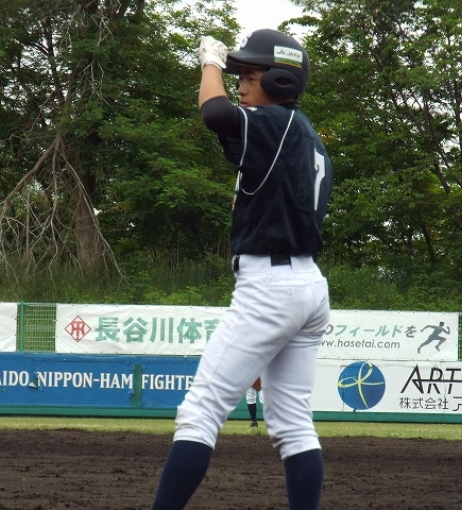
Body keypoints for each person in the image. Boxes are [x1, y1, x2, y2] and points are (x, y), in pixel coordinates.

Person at [150, 29, 333, 510]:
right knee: (293, 424)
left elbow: (215, 113)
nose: (241, 85)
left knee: (199, 411)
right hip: (307, 285)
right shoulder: (304, 136)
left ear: (280, 81)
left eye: (251, 76)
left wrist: (210, 62)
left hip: (271, 285)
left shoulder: (276, 123)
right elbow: (230, 134)